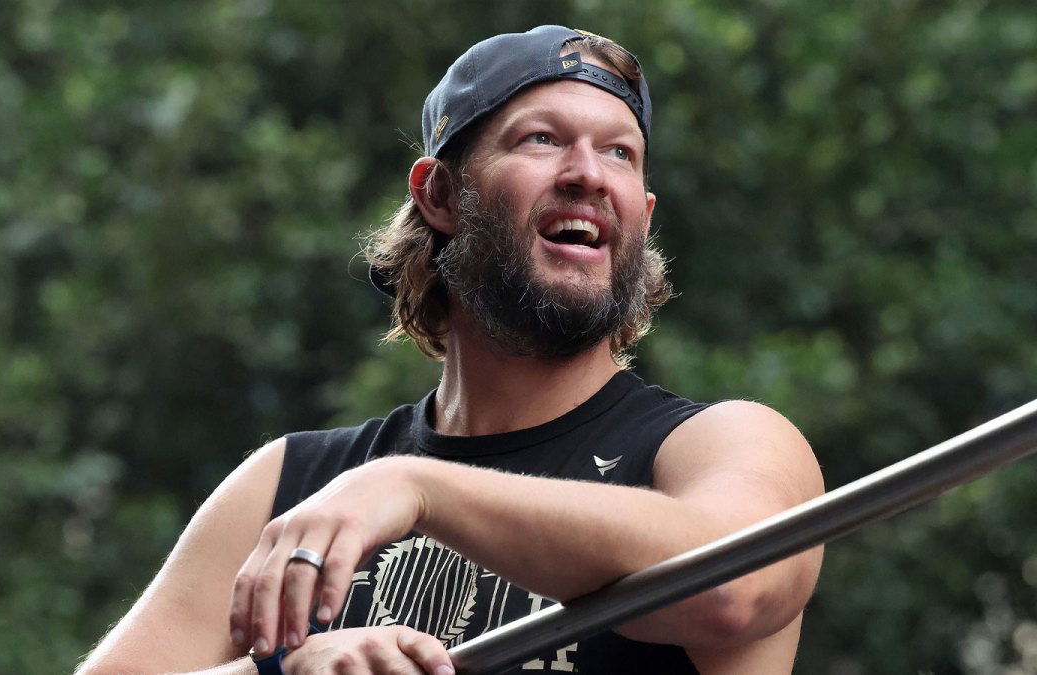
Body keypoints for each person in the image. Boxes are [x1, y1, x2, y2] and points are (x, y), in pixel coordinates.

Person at [76, 25, 824, 675]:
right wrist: (280, 668)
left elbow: (733, 588)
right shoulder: (295, 480)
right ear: (439, 195)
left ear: (643, 215)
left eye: (620, 153)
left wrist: (417, 488)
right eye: (543, 138)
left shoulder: (718, 444)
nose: (589, 174)